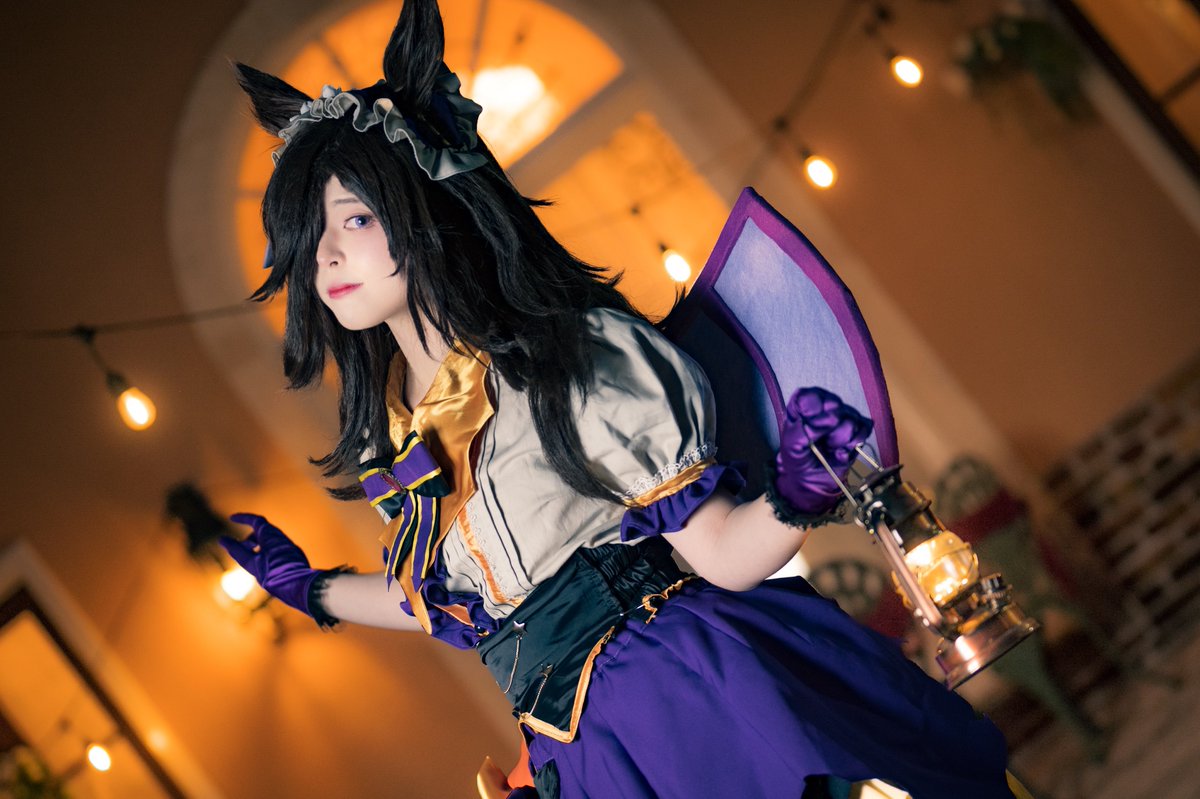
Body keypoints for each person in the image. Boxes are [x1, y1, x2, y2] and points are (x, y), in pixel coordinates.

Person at [221, 1, 1017, 796]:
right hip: (586, 760)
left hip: (687, 704)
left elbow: (721, 555)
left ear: (430, 210)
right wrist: (310, 588)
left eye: (356, 218)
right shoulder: (397, 441)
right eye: (313, 233)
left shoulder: (566, 360)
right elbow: (445, 602)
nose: (325, 255)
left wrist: (795, 495)